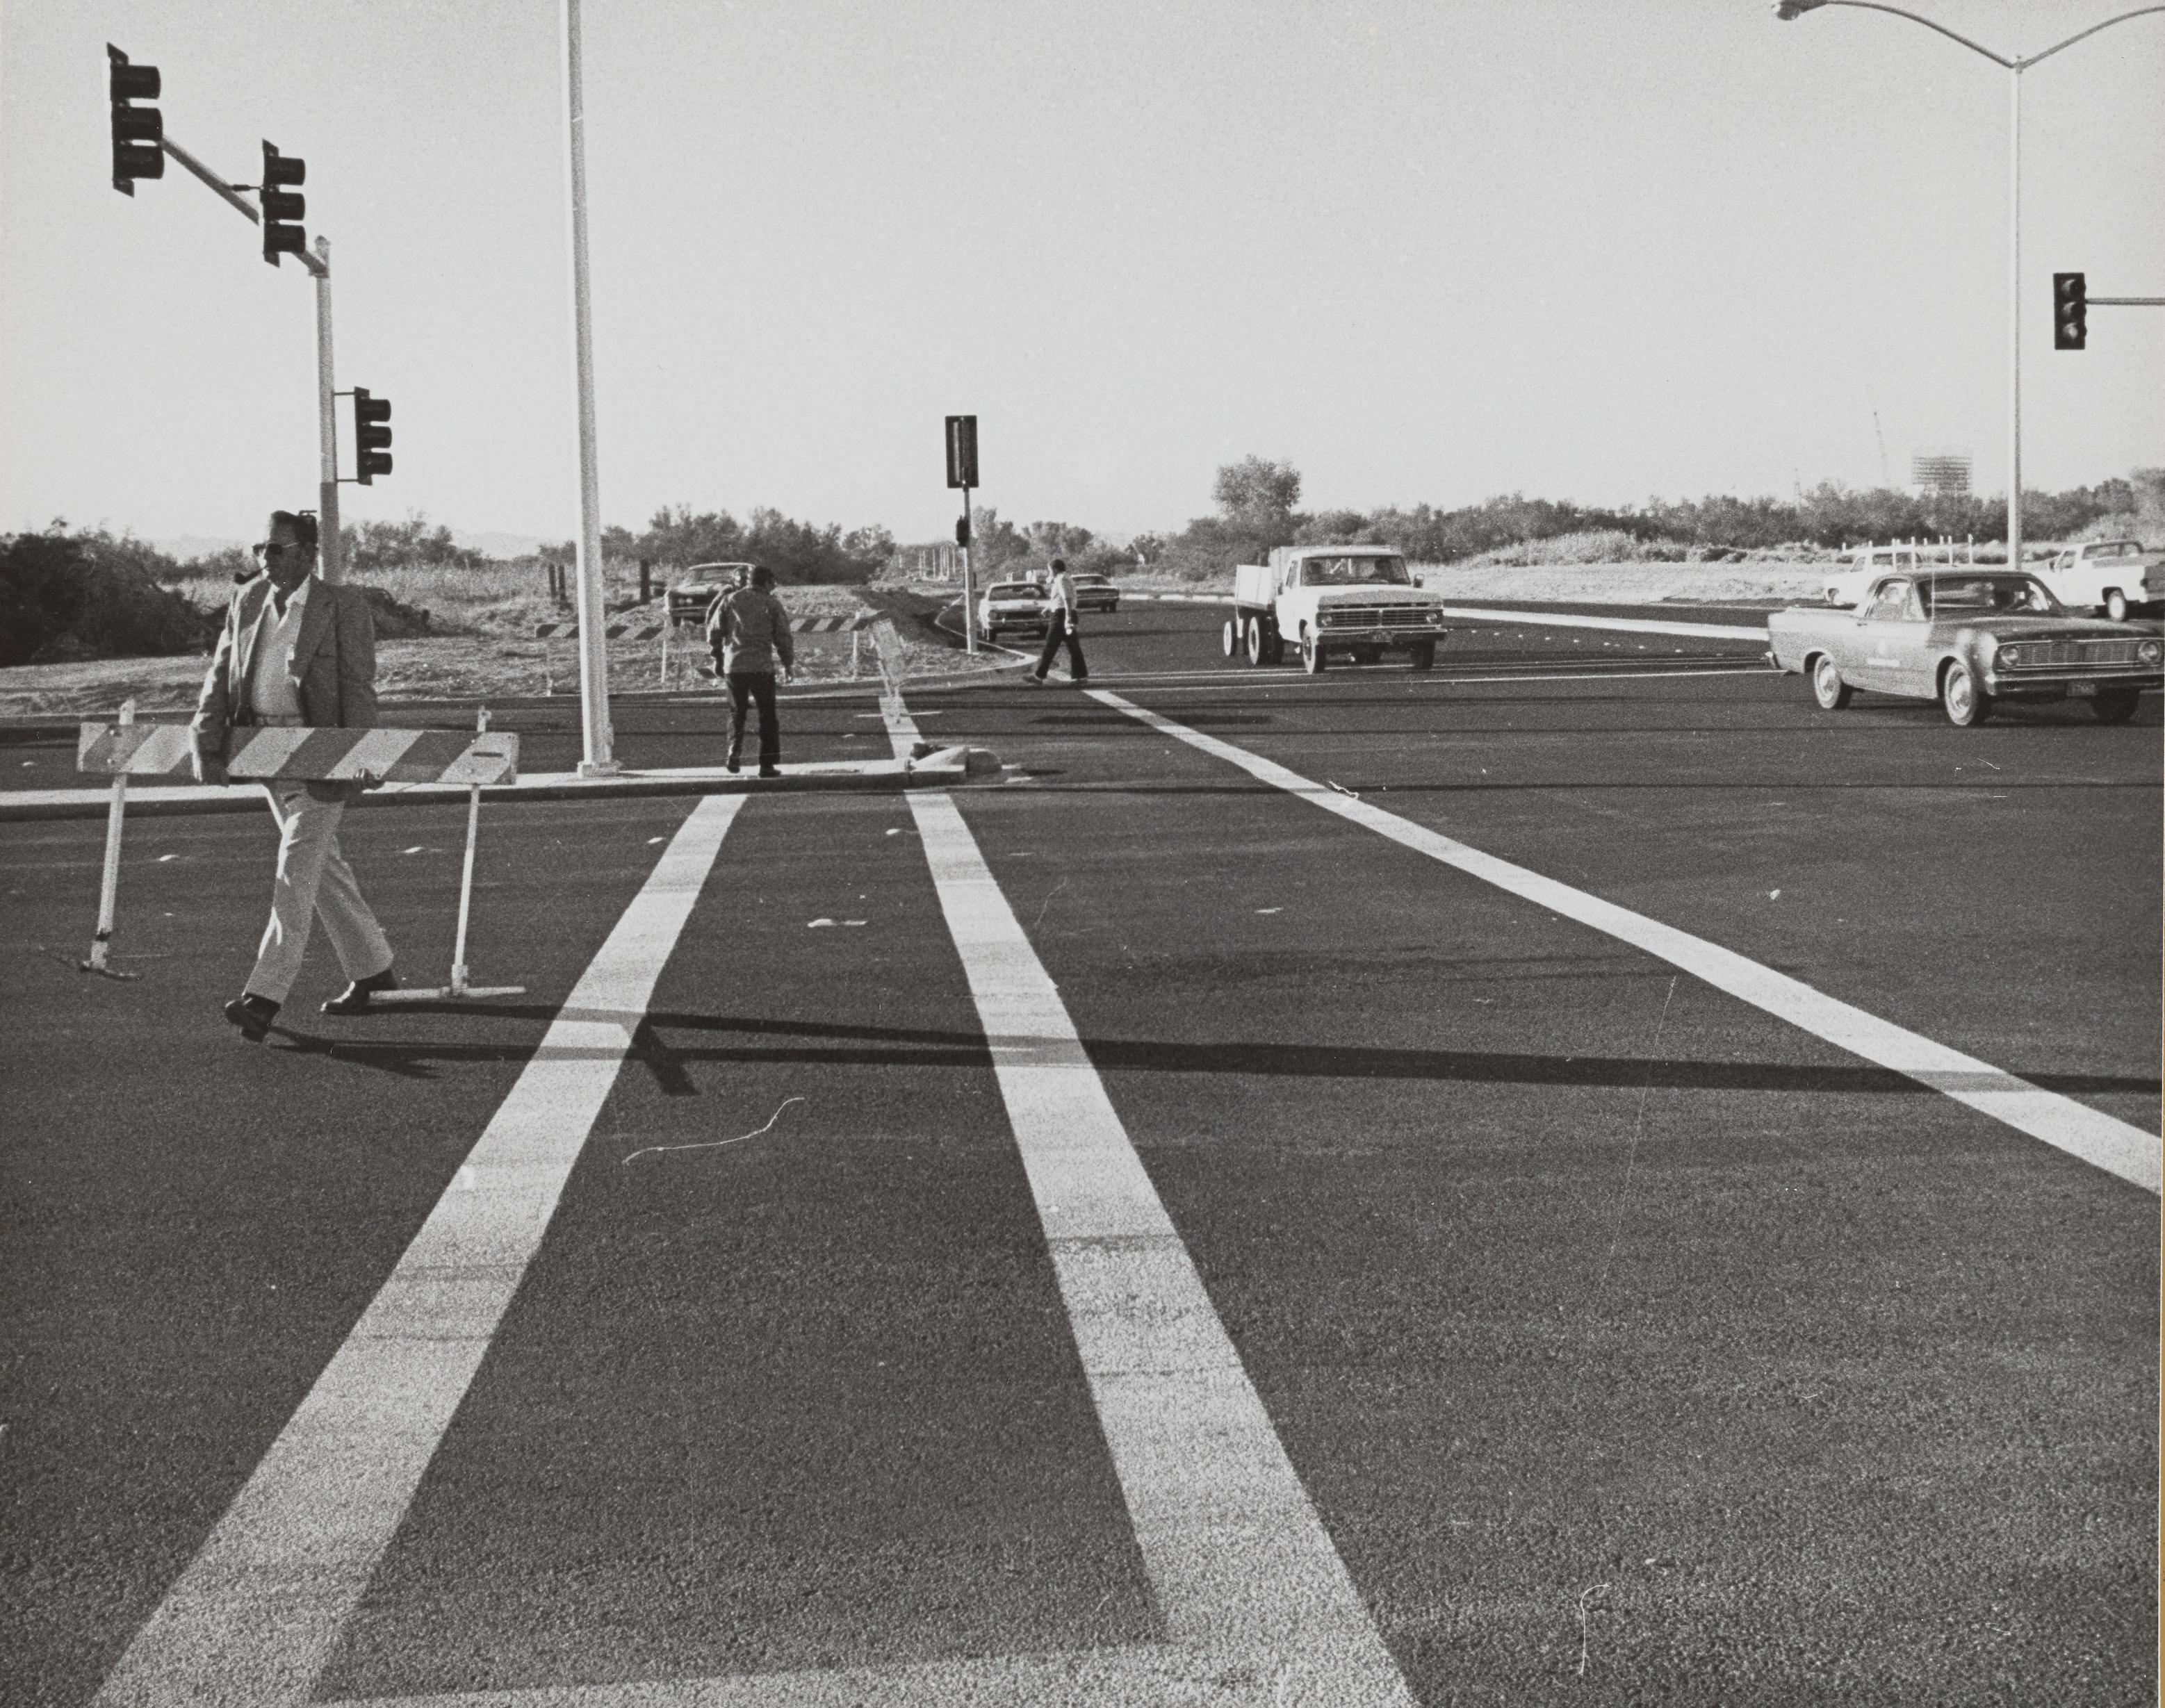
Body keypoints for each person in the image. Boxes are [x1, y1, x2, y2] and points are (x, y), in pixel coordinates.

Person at [190, 510, 398, 1040]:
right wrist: (206, 743)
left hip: (320, 757)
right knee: (323, 871)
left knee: (295, 872)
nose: (264, 559)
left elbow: (358, 685)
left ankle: (263, 997)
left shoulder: (342, 606)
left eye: (277, 549)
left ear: (308, 554)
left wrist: (359, 754)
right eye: (259, 548)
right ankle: (374, 971)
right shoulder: (248, 600)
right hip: (263, 754)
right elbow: (221, 677)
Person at [707, 564, 794, 775]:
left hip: (734, 666)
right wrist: (788, 663)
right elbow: (782, 637)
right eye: (772, 582)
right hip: (761, 667)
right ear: (766, 582)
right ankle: (767, 764)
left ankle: (733, 753)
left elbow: (714, 631)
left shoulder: (730, 600)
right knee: (767, 715)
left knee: (737, 713)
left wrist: (717, 658)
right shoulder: (771, 603)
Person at [1031, 557, 1088, 684]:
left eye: (1050, 570)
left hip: (1061, 617)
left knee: (1049, 647)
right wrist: (1048, 608)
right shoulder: (1064, 578)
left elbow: (1067, 599)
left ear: (1055, 570)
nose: (1049, 573)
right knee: (1073, 647)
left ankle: (1039, 676)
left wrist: (1067, 618)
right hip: (1063, 613)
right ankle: (1080, 675)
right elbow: (1060, 599)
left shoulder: (1062, 579)